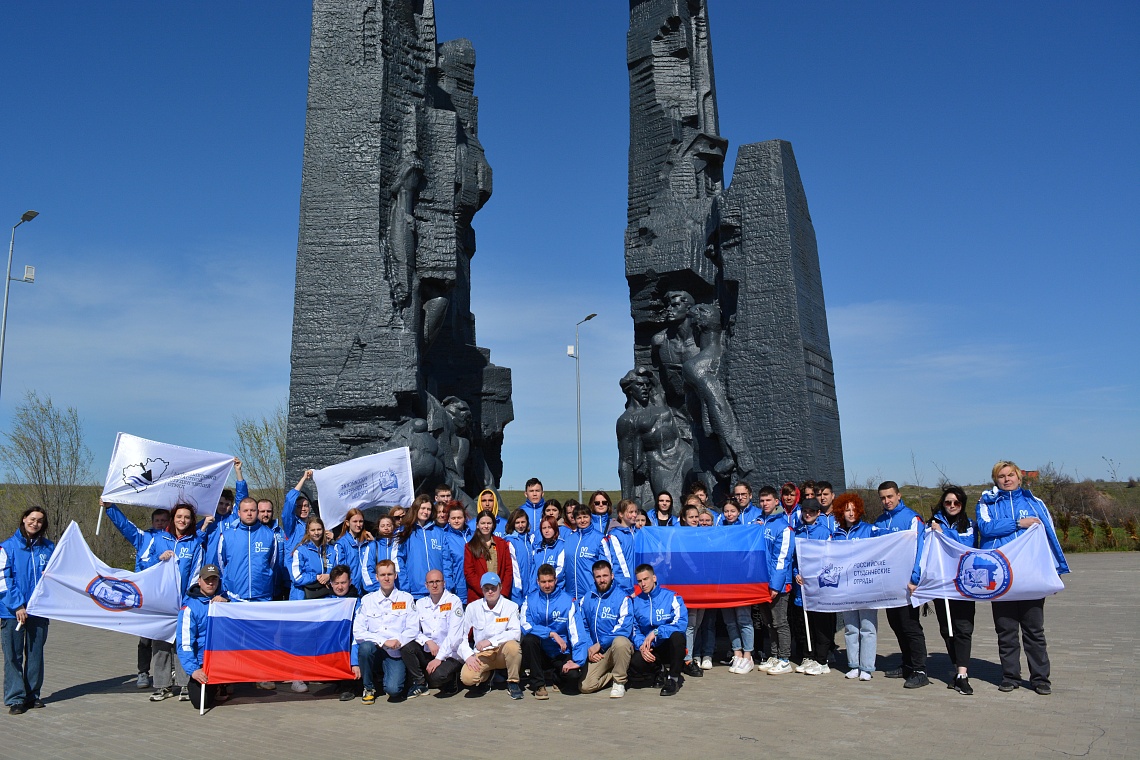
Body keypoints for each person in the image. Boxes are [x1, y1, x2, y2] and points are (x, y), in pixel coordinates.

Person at [977, 461, 1069, 696]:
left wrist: (1053, 572)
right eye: (1001, 476)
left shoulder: (1034, 503)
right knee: (1005, 631)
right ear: (995, 480)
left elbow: (1049, 536)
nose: (1006, 479)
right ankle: (1010, 676)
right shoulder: (987, 504)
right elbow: (986, 529)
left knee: (1034, 630)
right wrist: (1018, 523)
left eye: (1010, 475)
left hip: (1030, 578)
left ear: (1019, 478)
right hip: (1002, 579)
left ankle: (1040, 678)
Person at [101, 500, 175, 691]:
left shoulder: (175, 539)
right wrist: (110, 507)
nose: (160, 523)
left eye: (163, 520)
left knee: (169, 636)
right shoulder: (143, 537)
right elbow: (125, 525)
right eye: (157, 520)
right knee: (145, 638)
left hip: (167, 596)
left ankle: (171, 671)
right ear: (152, 522)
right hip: (145, 595)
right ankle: (143, 672)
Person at [873, 480, 929, 689]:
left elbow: (919, 549)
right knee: (896, 625)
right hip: (887, 585)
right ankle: (907, 665)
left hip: (906, 585)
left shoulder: (911, 518)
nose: (886, 501)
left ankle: (920, 670)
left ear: (898, 495)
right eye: (883, 498)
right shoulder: (878, 522)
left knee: (910, 626)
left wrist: (915, 578)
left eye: (890, 496)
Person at [1, 507, 54, 714]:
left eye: (40, 521)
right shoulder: (7, 547)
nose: (35, 524)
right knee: (13, 655)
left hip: (39, 611)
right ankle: (16, 698)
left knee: (35, 653)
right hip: (12, 612)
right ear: (24, 519)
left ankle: (33, 695)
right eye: (32, 519)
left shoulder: (49, 547)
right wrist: (18, 605)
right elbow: (3, 580)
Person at [929, 485, 977, 695]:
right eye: (948, 502)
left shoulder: (970, 525)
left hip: (965, 584)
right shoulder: (932, 523)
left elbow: (965, 545)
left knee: (963, 628)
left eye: (956, 502)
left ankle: (963, 674)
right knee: (947, 629)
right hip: (942, 585)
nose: (952, 506)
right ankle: (956, 668)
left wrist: (944, 532)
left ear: (962, 504)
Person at [353, 559, 418, 704]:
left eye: (389, 574)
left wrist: (398, 641)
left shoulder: (406, 599)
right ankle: (368, 687)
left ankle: (395, 677)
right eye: (382, 575)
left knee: (394, 690)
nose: (386, 578)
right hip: (375, 650)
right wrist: (383, 641)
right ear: (376, 577)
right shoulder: (367, 600)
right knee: (365, 648)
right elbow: (358, 631)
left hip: (395, 650)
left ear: (395, 575)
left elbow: (413, 629)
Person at [520, 564, 589, 699]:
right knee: (529, 640)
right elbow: (525, 625)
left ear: (556, 580)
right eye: (543, 582)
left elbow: (577, 633)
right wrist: (551, 633)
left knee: (573, 679)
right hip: (540, 653)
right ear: (537, 582)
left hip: (561, 652)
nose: (547, 585)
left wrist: (578, 660)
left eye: (550, 581)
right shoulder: (530, 599)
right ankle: (539, 685)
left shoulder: (568, 601)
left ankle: (556, 677)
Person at [831, 492, 877, 681]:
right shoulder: (836, 535)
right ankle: (853, 665)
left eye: (854, 509)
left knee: (867, 627)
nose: (851, 513)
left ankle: (867, 666)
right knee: (851, 628)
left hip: (866, 587)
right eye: (846, 510)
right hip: (846, 588)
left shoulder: (869, 530)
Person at [458, 572, 525, 700]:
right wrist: (468, 656)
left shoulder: (511, 607)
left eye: (493, 588)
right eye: (486, 588)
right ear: (482, 589)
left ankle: (513, 682)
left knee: (513, 647)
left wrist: (490, 641)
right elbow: (462, 635)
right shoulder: (473, 607)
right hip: (483, 654)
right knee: (467, 678)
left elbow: (515, 633)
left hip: (502, 652)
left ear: (500, 587)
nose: (490, 592)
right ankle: (488, 676)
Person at [401, 569, 465, 698]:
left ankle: (452, 676)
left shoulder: (454, 601)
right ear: (426, 585)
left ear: (444, 583)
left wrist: (438, 658)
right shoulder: (420, 604)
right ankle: (420, 683)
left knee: (438, 676)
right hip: (429, 650)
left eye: (437, 581)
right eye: (431, 582)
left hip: (450, 653)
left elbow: (454, 635)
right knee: (406, 646)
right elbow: (413, 630)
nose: (434, 585)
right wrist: (428, 642)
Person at [629, 564, 689, 696]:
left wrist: (656, 632)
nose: (643, 584)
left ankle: (673, 679)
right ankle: (660, 672)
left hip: (667, 644)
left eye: (646, 579)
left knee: (678, 637)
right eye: (639, 581)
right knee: (635, 662)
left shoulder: (672, 597)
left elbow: (681, 623)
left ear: (654, 578)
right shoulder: (635, 602)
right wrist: (642, 646)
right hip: (651, 647)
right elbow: (634, 629)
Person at [176, 563, 228, 711]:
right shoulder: (190, 608)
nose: (211, 583)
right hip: (203, 663)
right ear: (199, 581)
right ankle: (212, 685)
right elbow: (184, 643)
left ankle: (223, 684)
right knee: (201, 703)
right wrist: (193, 670)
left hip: (223, 658)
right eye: (207, 580)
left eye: (214, 579)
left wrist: (228, 603)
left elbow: (244, 610)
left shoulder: (226, 600)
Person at [579, 560, 634, 697]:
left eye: (605, 576)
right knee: (585, 686)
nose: (602, 580)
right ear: (593, 578)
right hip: (598, 651)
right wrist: (589, 647)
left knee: (621, 641)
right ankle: (614, 674)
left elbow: (624, 628)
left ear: (612, 576)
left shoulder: (623, 598)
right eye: (598, 577)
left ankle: (619, 682)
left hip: (615, 647)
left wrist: (600, 644)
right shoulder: (587, 598)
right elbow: (582, 627)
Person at [792, 498, 834, 676]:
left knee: (821, 625)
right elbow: (794, 559)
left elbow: (830, 559)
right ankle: (808, 656)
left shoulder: (824, 533)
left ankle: (822, 659)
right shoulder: (798, 532)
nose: (807, 514)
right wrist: (796, 574)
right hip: (803, 589)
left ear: (818, 513)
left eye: (811, 511)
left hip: (820, 588)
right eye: (805, 511)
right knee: (805, 624)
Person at [757, 495, 795, 675]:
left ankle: (785, 659)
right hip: (761, 583)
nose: (765, 504)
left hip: (778, 584)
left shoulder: (784, 527)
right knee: (769, 623)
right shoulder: (757, 524)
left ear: (776, 502)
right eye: (762, 501)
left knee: (780, 622)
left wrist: (775, 585)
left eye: (768, 500)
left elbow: (782, 559)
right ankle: (774, 655)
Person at [216, 497, 278, 602]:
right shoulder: (227, 536)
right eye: (245, 511)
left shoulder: (269, 535)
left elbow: (272, 563)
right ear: (239, 513)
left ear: (257, 512)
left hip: (262, 596)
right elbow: (222, 565)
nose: (249, 514)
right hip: (235, 596)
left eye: (252, 510)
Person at [717, 500, 755, 674]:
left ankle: (748, 655)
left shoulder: (746, 529)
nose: (729, 514)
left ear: (738, 512)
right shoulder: (719, 530)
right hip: (723, 581)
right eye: (726, 511)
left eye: (732, 511)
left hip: (740, 581)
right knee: (729, 620)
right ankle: (737, 652)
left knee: (743, 618)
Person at [396, 495, 455, 600]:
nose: (425, 512)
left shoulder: (438, 532)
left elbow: (446, 560)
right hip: (415, 590)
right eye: (422, 508)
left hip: (438, 590)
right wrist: (405, 585)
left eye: (428, 509)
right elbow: (399, 560)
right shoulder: (406, 532)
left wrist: (448, 583)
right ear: (416, 509)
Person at [464, 510, 514, 603]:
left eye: (489, 523)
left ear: (493, 525)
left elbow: (508, 570)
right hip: (478, 597)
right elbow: (469, 573)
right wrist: (486, 592)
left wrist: (502, 593)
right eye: (483, 523)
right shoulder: (470, 546)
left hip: (500, 596)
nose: (486, 526)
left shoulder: (502, 544)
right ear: (477, 525)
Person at [565, 505, 604, 601]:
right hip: (571, 595)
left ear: (590, 517)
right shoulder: (569, 540)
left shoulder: (600, 539)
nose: (582, 521)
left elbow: (605, 567)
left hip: (591, 593)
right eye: (579, 518)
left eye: (585, 517)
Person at [289, 516, 332, 601]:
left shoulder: (331, 550)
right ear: (308, 531)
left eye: (319, 529)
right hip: (303, 597)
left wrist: (330, 576)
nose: (316, 533)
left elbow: (339, 571)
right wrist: (316, 577)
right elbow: (297, 577)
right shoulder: (300, 551)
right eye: (313, 530)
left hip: (325, 596)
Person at [602, 499, 639, 594]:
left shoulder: (637, 532)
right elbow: (619, 563)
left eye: (636, 512)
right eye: (630, 512)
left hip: (639, 583)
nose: (634, 515)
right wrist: (628, 587)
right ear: (621, 514)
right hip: (626, 587)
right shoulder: (615, 535)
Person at [442, 502, 472, 600]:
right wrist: (449, 582)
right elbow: (446, 563)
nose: (456, 521)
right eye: (453, 518)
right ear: (448, 520)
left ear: (464, 518)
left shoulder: (473, 535)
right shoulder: (446, 537)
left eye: (459, 518)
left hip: (475, 586)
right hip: (458, 587)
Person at [281, 470, 315, 555]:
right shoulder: (292, 526)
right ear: (295, 509)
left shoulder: (314, 525)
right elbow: (289, 501)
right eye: (299, 507)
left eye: (305, 506)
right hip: (295, 564)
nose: (303, 509)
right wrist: (303, 479)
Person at [531, 516, 567, 593]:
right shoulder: (538, 547)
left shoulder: (561, 545)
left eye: (549, 527)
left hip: (555, 590)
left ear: (555, 529)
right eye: (544, 528)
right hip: (537, 590)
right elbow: (533, 570)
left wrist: (546, 582)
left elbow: (560, 569)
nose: (547, 531)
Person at [505, 509, 533, 600]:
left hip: (530, 589)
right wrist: (517, 589)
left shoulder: (530, 540)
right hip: (516, 590)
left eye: (523, 522)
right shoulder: (510, 541)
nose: (520, 526)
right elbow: (514, 568)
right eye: (517, 523)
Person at [518, 478, 546, 543]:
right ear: (525, 494)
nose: (534, 494)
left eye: (537, 491)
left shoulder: (548, 510)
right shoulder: (520, 511)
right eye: (531, 491)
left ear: (542, 493)